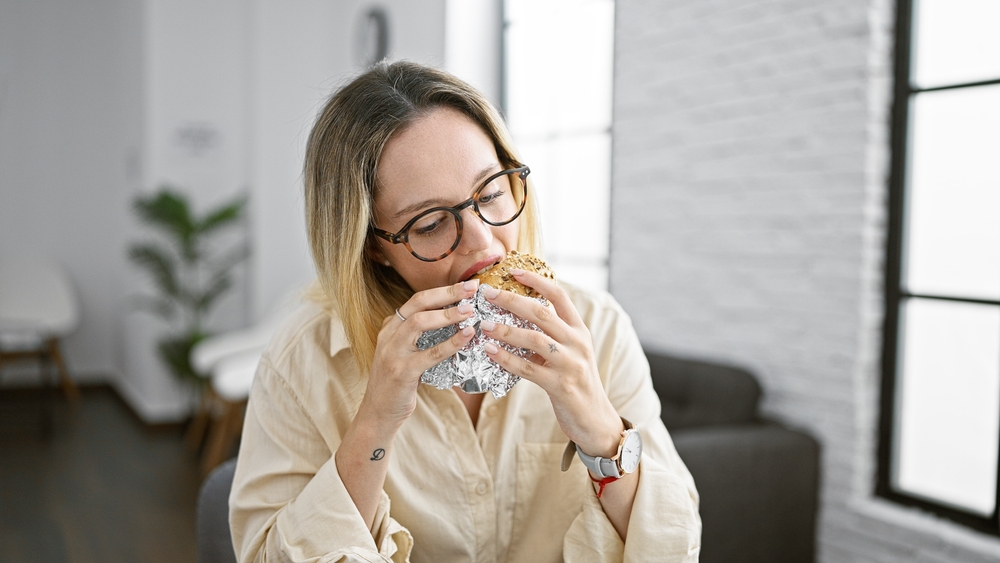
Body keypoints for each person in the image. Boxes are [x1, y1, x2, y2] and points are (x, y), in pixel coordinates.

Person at [229, 60, 701, 563]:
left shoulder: (598, 328)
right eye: (431, 223)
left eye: (491, 193)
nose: (483, 242)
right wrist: (375, 423)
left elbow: (673, 547)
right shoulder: (303, 363)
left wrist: (599, 430)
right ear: (372, 246)